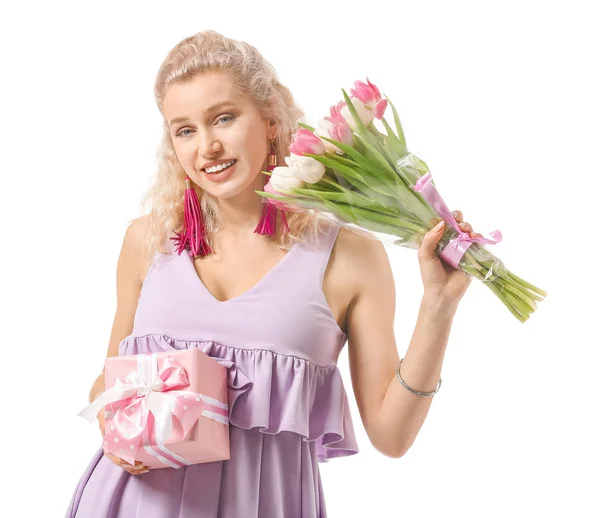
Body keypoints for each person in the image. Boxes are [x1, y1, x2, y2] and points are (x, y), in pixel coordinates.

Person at [66, 30, 481, 518]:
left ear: (269, 120)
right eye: (185, 130)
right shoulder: (148, 240)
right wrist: (114, 423)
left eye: (224, 118)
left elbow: (392, 437)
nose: (208, 147)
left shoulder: (349, 258)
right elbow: (108, 381)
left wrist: (439, 303)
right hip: (130, 504)